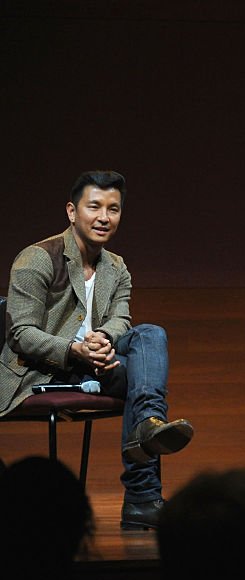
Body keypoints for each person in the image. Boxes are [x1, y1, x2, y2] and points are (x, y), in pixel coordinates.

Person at [0, 171, 193, 530]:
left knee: (150, 334)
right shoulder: (37, 258)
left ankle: (149, 425)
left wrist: (102, 337)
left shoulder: (116, 266)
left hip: (96, 367)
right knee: (141, 378)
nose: (105, 217)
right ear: (72, 212)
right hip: (41, 369)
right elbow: (20, 333)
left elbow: (122, 318)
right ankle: (142, 497)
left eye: (114, 209)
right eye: (95, 207)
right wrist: (75, 350)